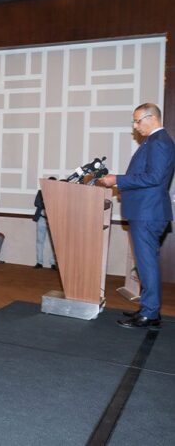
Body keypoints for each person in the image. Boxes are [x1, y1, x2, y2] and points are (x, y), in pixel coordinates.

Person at [97, 103, 175, 329]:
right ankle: (148, 309)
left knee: (147, 264)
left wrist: (118, 180)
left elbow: (154, 177)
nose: (135, 126)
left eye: (138, 121)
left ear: (152, 118)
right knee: (145, 263)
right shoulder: (153, 141)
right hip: (146, 211)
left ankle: (150, 313)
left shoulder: (159, 142)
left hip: (148, 212)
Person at [32, 178, 57, 270]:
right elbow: (37, 203)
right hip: (41, 219)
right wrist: (49, 202)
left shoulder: (58, 193)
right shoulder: (40, 192)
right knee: (39, 241)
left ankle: (53, 263)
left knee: (53, 242)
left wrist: (46, 202)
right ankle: (39, 262)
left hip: (53, 220)